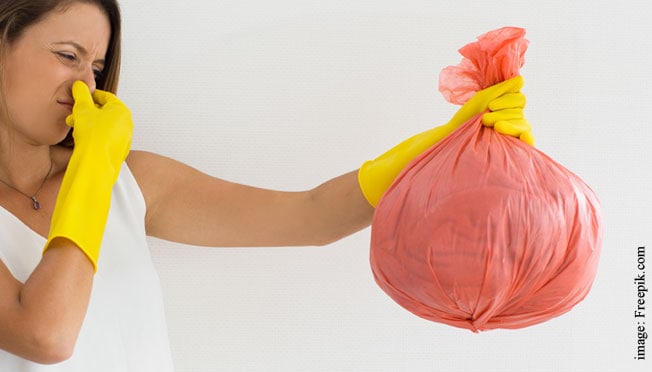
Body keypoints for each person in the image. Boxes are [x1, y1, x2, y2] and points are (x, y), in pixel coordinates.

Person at [0, 0, 532, 370]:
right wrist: (93, 165)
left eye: (96, 66)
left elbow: (313, 216)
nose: (86, 86)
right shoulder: (105, 171)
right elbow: (46, 334)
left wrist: (443, 144)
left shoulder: (133, 181)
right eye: (67, 56)